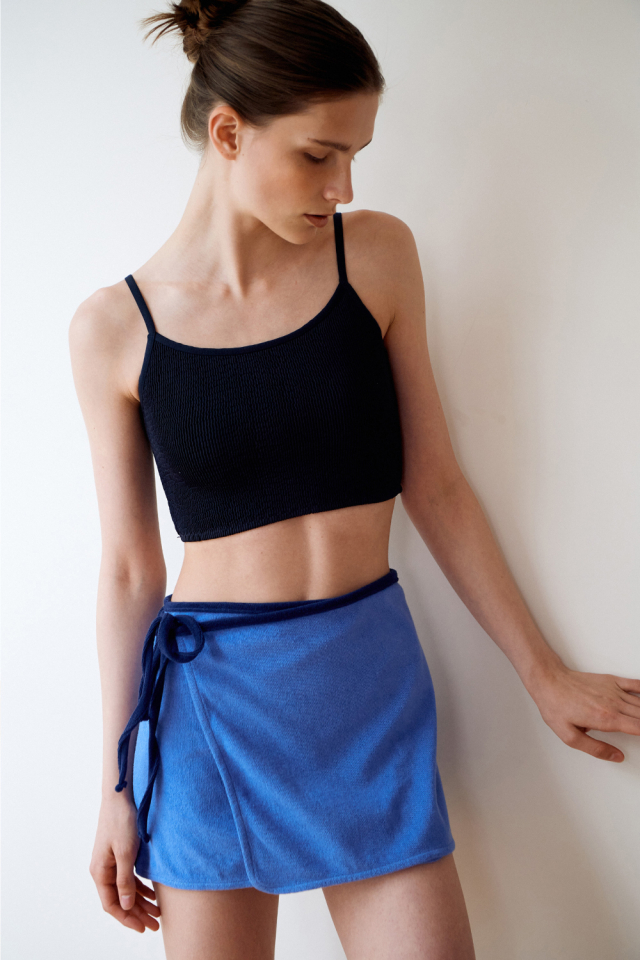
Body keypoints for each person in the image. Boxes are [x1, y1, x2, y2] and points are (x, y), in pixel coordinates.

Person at [68, 1, 640, 957]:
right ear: (228, 133)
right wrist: (116, 788)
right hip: (212, 711)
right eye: (319, 154)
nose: (342, 186)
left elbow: (437, 486)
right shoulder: (112, 330)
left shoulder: (374, 256)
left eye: (355, 156)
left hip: (367, 690)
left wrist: (544, 676)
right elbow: (130, 570)